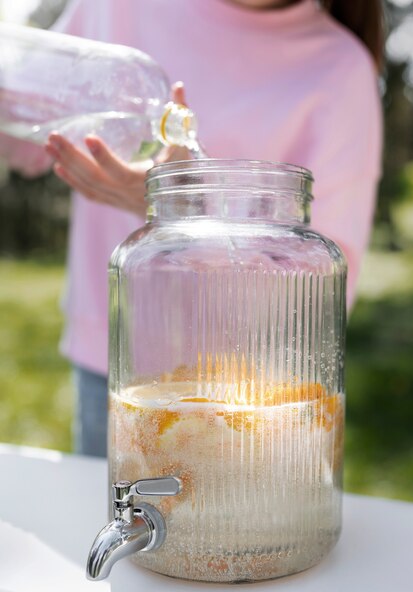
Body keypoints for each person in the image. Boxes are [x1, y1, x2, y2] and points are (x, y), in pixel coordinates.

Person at [18, 0, 386, 456]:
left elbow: (322, 287)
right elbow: (28, 143)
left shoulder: (340, 66)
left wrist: (179, 216)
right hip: (114, 368)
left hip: (250, 390)